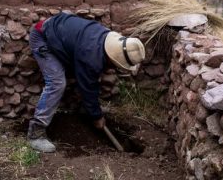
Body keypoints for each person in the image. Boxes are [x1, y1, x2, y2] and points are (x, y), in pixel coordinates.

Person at [27, 12, 145, 153]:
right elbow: (88, 87)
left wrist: (93, 111)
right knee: (57, 82)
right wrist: (97, 116)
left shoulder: (108, 38)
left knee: (83, 78)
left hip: (59, 32)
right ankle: (36, 133)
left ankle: (86, 111)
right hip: (42, 37)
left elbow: (90, 80)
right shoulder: (90, 56)